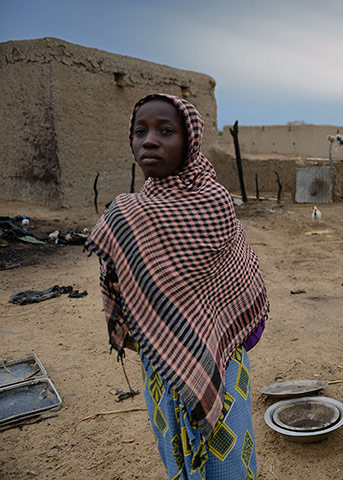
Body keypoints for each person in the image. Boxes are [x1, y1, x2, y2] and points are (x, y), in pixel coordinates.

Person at [86, 93, 269, 480]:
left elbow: (239, 274)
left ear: (190, 141)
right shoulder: (127, 214)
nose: (149, 140)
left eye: (165, 131)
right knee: (174, 448)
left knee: (229, 453)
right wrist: (155, 338)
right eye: (140, 132)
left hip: (223, 357)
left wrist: (237, 330)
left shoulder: (214, 201)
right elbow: (119, 287)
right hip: (162, 359)